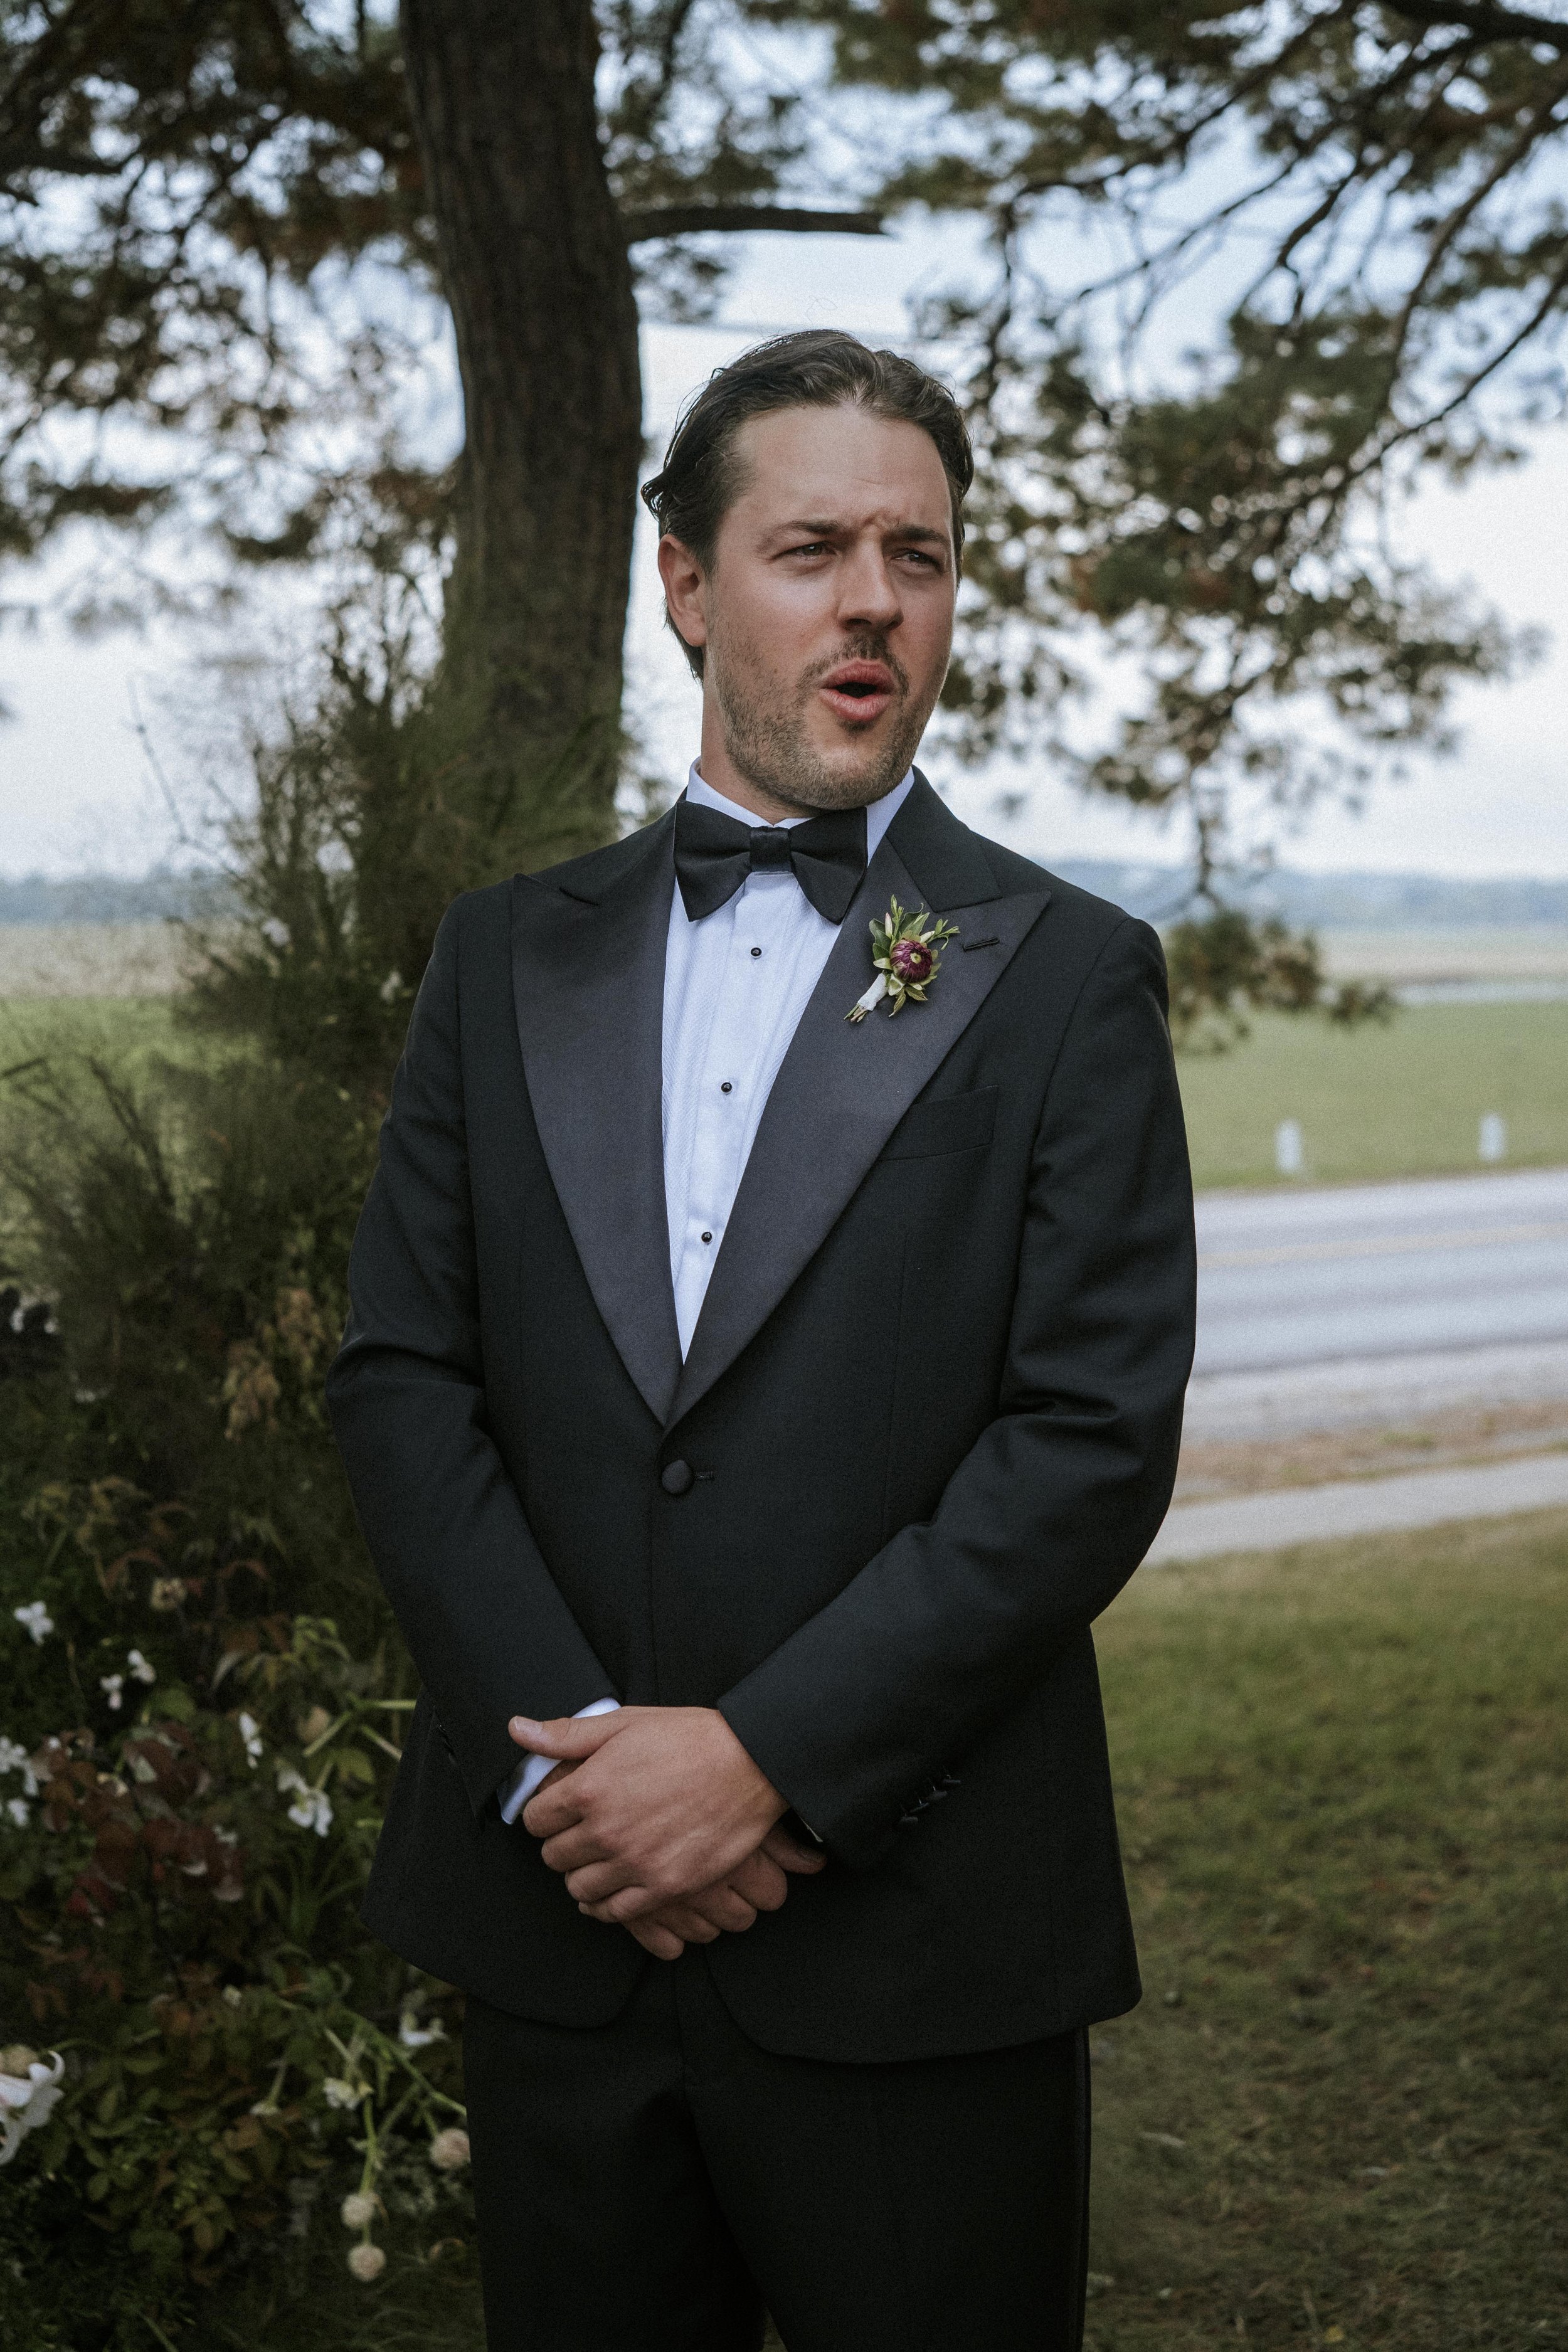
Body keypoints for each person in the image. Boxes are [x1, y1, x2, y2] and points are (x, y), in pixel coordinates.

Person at [326, 329, 1196, 2352]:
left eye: (923, 551)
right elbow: (403, 1379)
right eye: (812, 547)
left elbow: (1081, 1442)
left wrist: (770, 1768)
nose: (877, 599)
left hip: (918, 1946)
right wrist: (579, 1780)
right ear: (687, 586)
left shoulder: (1060, 980)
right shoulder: (499, 958)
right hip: (559, 1941)